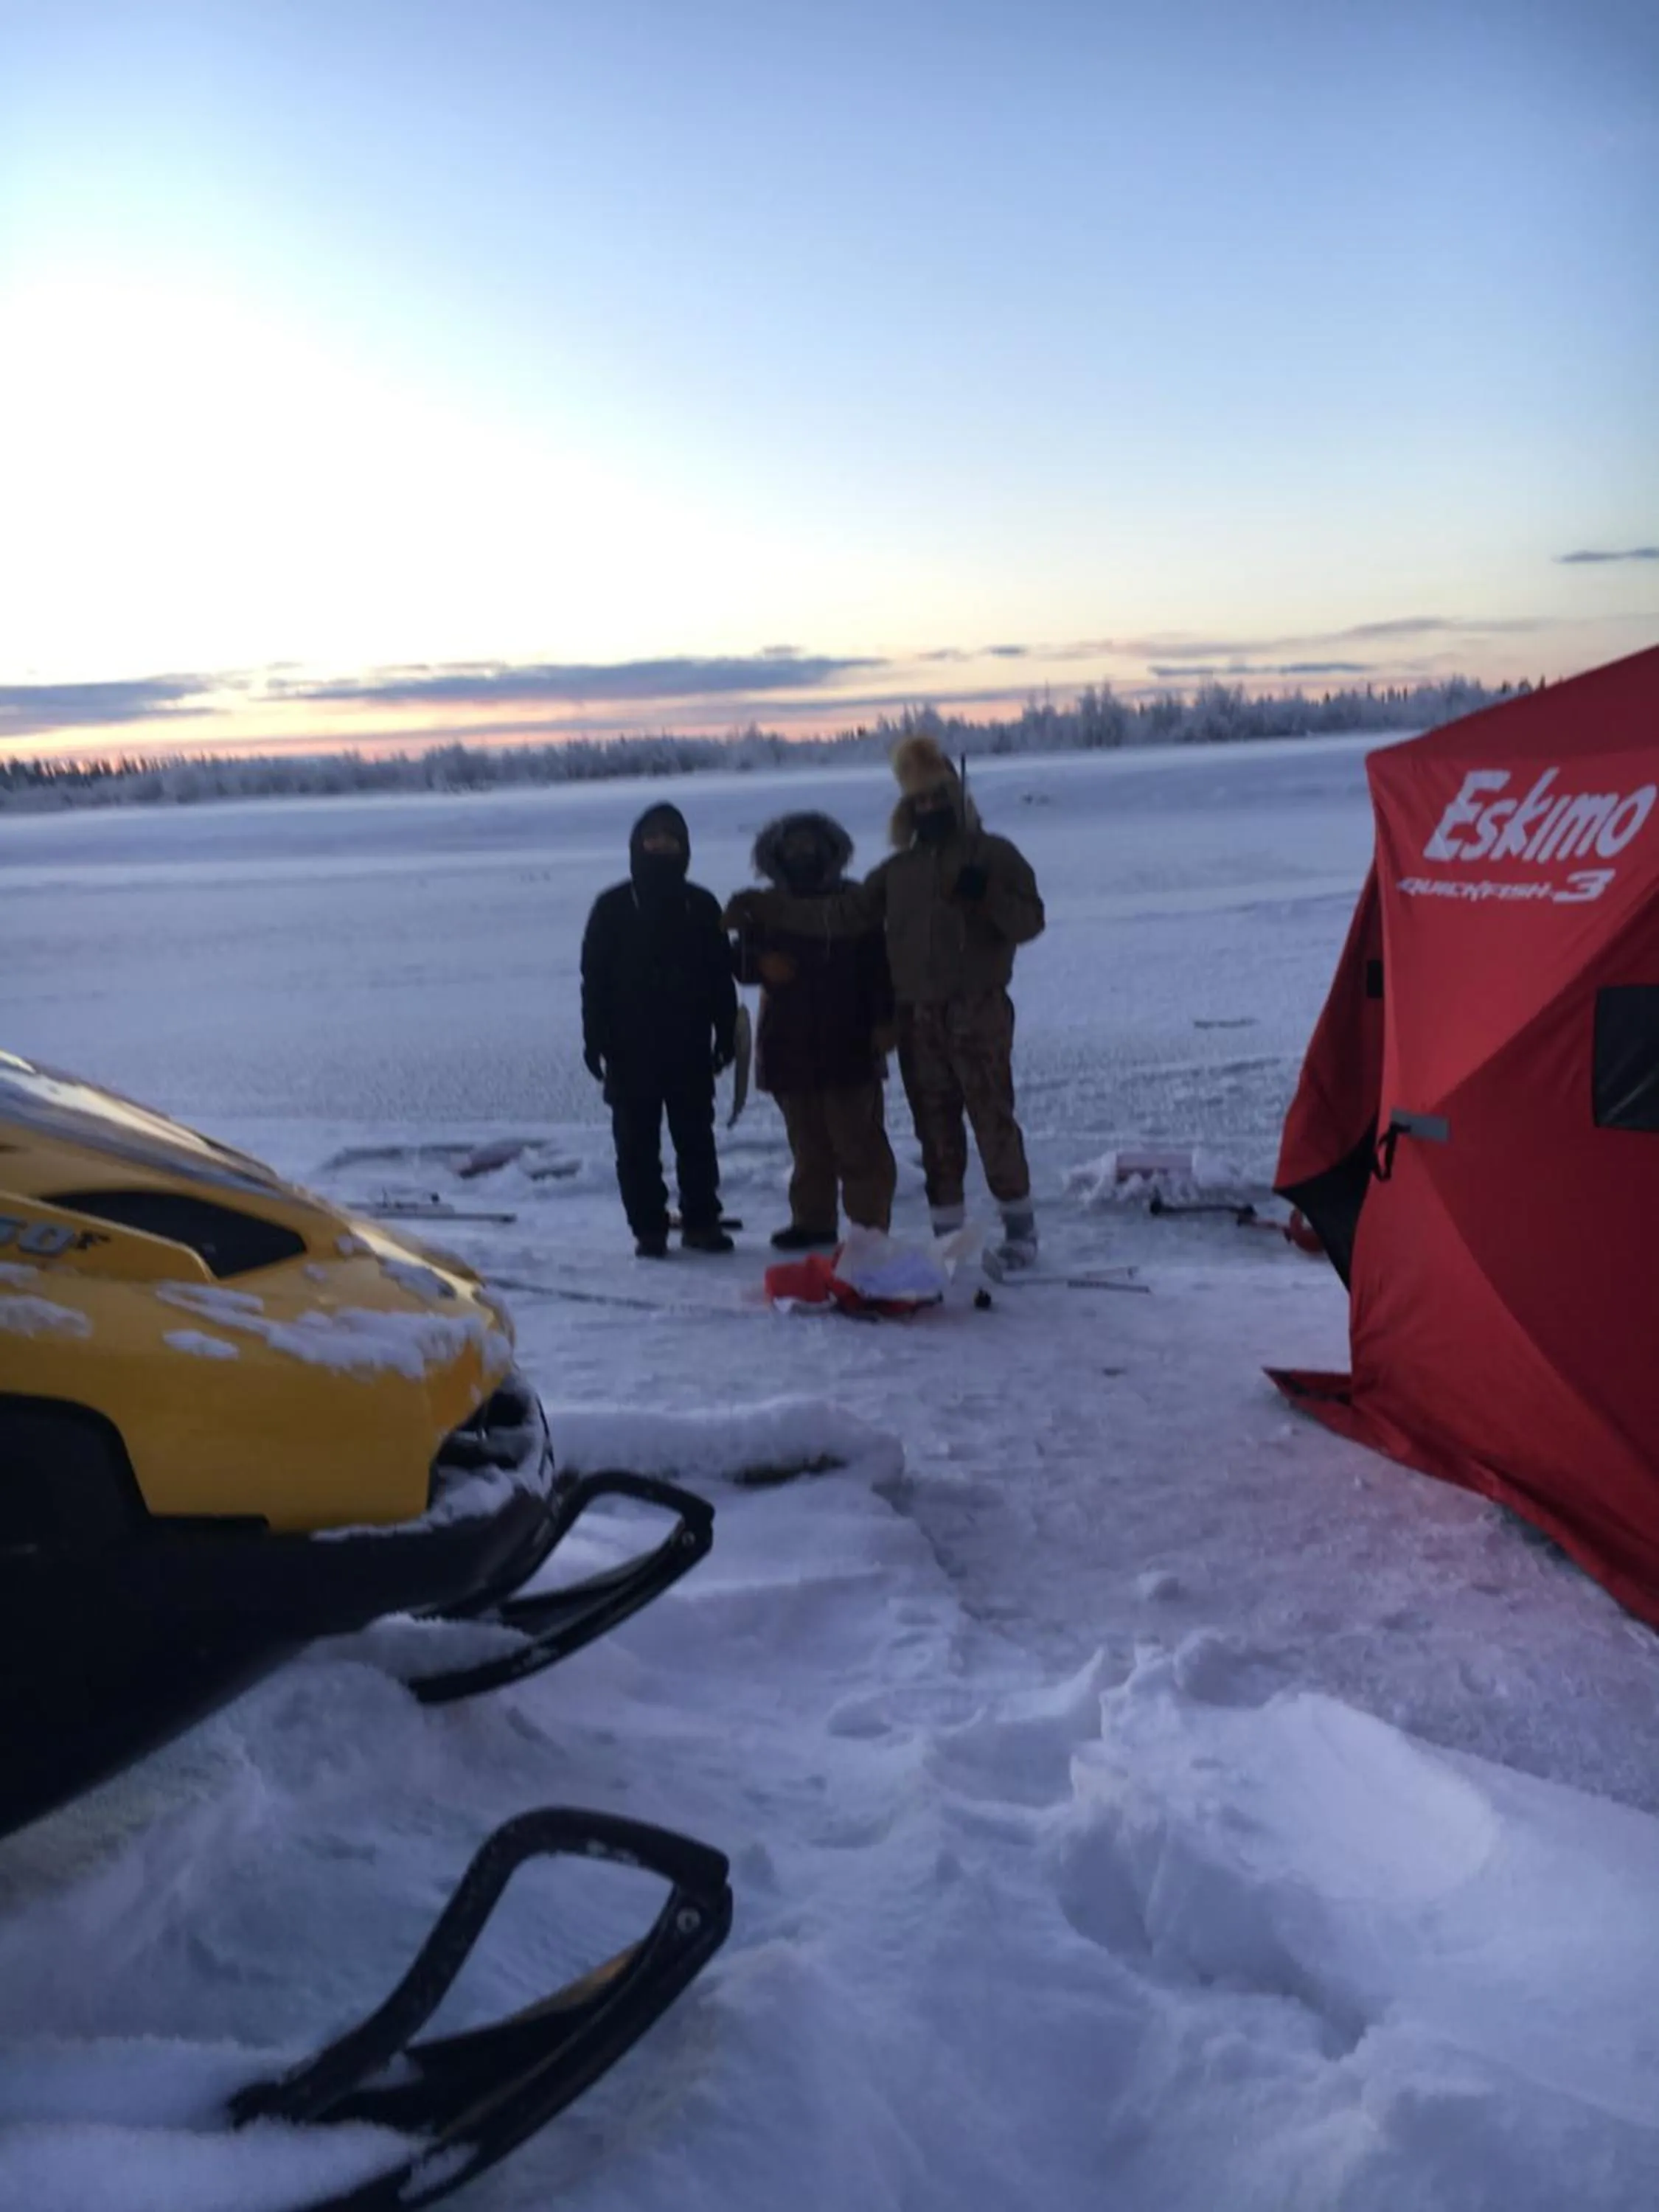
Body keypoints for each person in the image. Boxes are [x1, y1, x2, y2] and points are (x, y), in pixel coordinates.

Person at [726, 735, 1045, 1269]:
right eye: (919, 801)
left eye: (938, 797)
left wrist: (986, 894)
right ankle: (948, 1236)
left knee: (992, 1120)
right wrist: (771, 909)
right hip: (917, 1015)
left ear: (957, 797)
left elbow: (1030, 923)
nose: (930, 808)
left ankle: (1021, 1231)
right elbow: (840, 914)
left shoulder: (994, 855)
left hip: (977, 1008)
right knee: (935, 1129)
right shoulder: (899, 872)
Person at [731, 810, 897, 1249]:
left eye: (810, 845)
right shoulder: (764, 907)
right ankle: (813, 1221)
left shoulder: (855, 901)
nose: (802, 854)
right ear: (776, 856)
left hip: (851, 1038)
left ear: (830, 851)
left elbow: (880, 964)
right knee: (808, 1145)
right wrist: (757, 961)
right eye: (793, 847)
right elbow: (740, 964)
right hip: (788, 1041)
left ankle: (869, 1230)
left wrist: (885, 1020)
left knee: (859, 1143)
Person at [580, 802, 739, 1256]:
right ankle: (648, 1228)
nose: (661, 846)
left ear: (684, 848)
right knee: (635, 1146)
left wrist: (727, 1032)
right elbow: (594, 979)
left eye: (670, 839)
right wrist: (593, 1038)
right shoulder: (612, 907)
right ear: (637, 846)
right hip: (629, 1049)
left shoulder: (701, 904)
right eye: (653, 839)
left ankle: (701, 1222)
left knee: (696, 1141)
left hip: (690, 1046)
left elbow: (720, 978)